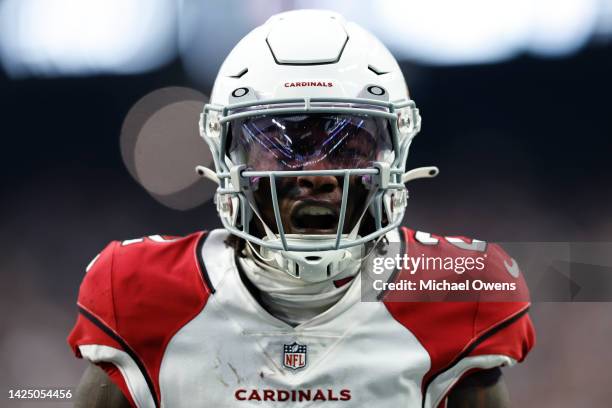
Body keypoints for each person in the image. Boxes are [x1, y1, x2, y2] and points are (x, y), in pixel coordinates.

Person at [68, 10, 535, 407]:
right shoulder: (138, 293)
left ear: (394, 153)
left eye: (348, 143)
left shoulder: (460, 290)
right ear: (231, 156)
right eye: (282, 142)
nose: (317, 172)